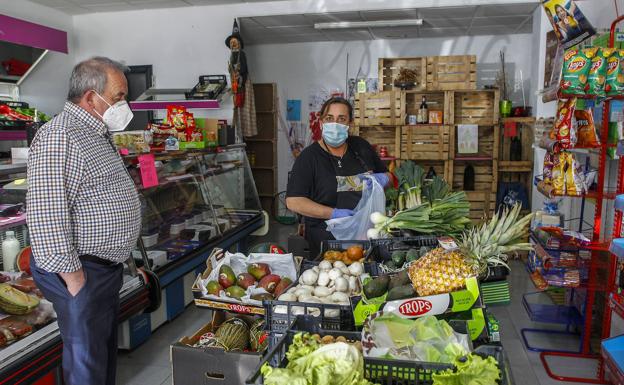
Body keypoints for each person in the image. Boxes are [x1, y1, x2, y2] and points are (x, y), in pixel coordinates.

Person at [27, 57, 142, 385]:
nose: (125, 105)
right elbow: (47, 217)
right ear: (91, 98)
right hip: (80, 271)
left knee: (101, 356)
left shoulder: (94, 132)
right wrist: (76, 281)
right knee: (86, 365)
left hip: (103, 269)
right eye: (119, 97)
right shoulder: (60, 136)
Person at [286, 96, 392, 258]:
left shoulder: (361, 147)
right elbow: (293, 201)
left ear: (350, 124)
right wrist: (332, 213)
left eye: (341, 119)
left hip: (367, 235)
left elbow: (389, 176)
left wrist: (383, 179)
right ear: (321, 123)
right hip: (327, 240)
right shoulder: (309, 157)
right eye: (329, 118)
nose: (335, 124)